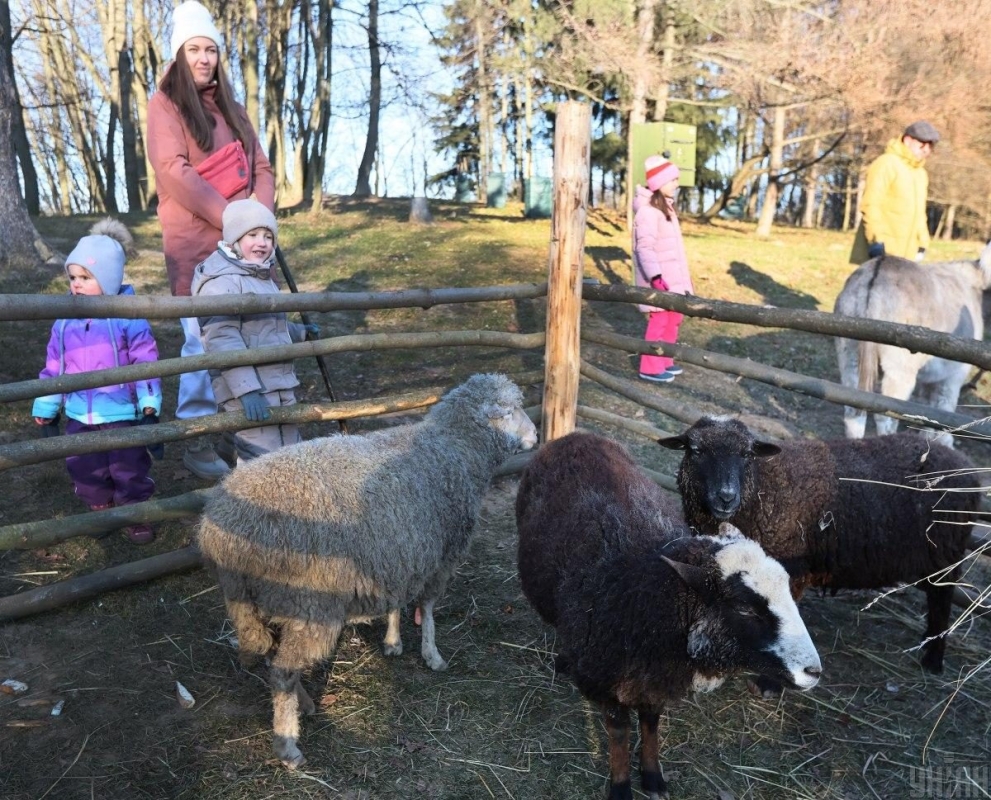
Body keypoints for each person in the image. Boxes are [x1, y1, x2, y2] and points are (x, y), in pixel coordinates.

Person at [146, 0, 275, 480]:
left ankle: (253, 434)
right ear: (179, 55)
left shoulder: (234, 109)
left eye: (211, 50)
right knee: (202, 341)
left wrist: (257, 219)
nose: (203, 58)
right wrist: (235, 219)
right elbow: (174, 172)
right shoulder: (165, 104)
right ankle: (198, 439)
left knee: (254, 331)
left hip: (244, 244)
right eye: (194, 49)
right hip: (197, 244)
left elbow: (261, 167)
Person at [32, 221, 162, 545]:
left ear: (108, 279)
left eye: (85, 278)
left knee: (128, 466)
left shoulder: (128, 317)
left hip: (119, 411)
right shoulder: (64, 321)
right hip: (79, 412)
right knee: (83, 465)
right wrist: (47, 406)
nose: (76, 284)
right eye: (72, 277)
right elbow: (54, 365)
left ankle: (134, 512)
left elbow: (145, 361)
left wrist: (149, 403)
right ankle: (100, 508)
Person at [190, 200, 313, 464]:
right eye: (253, 235)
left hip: (278, 381)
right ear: (234, 239)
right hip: (247, 387)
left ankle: (289, 498)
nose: (262, 242)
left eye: (268, 236)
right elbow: (222, 339)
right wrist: (246, 391)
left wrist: (299, 332)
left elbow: (267, 327)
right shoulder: (222, 281)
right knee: (260, 455)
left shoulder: (261, 277)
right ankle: (254, 503)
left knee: (291, 446)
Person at [632, 155, 694, 383]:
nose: (677, 184)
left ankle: (665, 360)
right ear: (659, 183)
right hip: (659, 281)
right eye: (673, 180)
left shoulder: (667, 210)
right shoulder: (648, 212)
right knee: (659, 322)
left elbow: (675, 252)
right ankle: (649, 367)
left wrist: (685, 281)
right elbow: (644, 247)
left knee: (673, 319)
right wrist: (655, 276)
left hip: (674, 280)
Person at [849, 120, 940, 265]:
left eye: (930, 146)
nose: (926, 150)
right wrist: (876, 241)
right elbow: (870, 205)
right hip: (882, 250)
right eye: (922, 144)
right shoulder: (886, 164)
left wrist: (923, 241)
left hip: (908, 255)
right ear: (907, 140)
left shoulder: (921, 174)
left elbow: (919, 212)